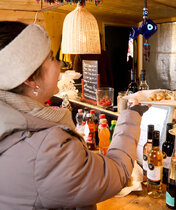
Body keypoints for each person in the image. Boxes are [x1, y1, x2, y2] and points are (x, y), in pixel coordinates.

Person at [0, 21, 148, 209]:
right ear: (30, 78)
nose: (59, 64)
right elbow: (116, 173)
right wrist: (131, 115)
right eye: (52, 58)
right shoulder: (47, 151)